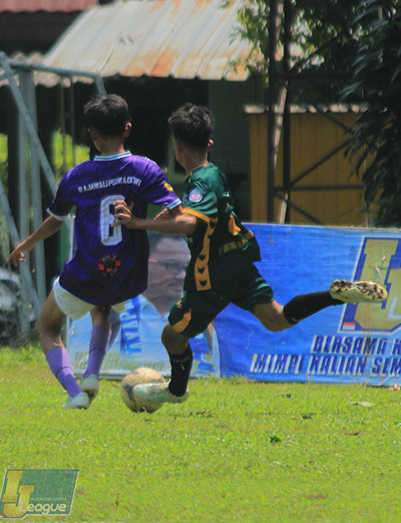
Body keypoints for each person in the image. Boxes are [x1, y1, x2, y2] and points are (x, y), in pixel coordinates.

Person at [112, 103, 387, 408]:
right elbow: (196, 210)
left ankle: (176, 391)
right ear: (209, 144)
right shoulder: (213, 174)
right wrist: (170, 212)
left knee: (172, 336)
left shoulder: (199, 181)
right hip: (238, 261)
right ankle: (333, 296)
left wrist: (138, 223)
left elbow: (190, 222)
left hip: (213, 273)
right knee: (277, 319)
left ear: (177, 148)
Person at [10, 94, 182, 409]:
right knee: (101, 308)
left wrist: (27, 243)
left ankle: (74, 393)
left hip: (88, 268)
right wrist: (141, 224)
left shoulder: (77, 176)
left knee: (48, 328)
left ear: (92, 134)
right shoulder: (145, 168)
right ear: (127, 129)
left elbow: (55, 221)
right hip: (127, 271)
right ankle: (91, 374)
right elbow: (175, 212)